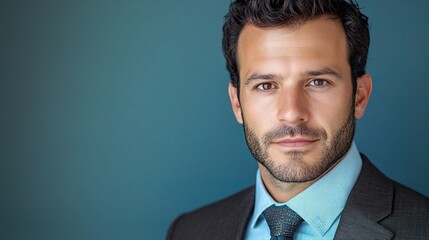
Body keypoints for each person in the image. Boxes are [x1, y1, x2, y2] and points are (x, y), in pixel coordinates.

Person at [166, 0, 429, 239]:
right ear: (237, 104)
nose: (292, 113)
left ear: (359, 96)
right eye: (266, 85)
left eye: (318, 82)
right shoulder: (188, 231)